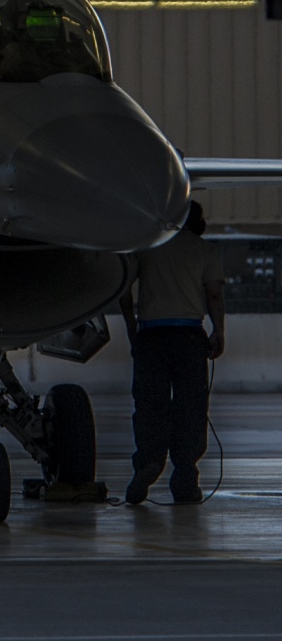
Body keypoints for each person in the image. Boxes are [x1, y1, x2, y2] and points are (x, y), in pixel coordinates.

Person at [118, 200, 225, 505]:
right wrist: (219, 331)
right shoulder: (204, 251)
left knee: (150, 403)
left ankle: (149, 463)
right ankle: (185, 476)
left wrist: (130, 325)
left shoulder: (148, 246)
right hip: (189, 337)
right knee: (191, 407)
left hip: (151, 336)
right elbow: (214, 293)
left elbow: (124, 285)